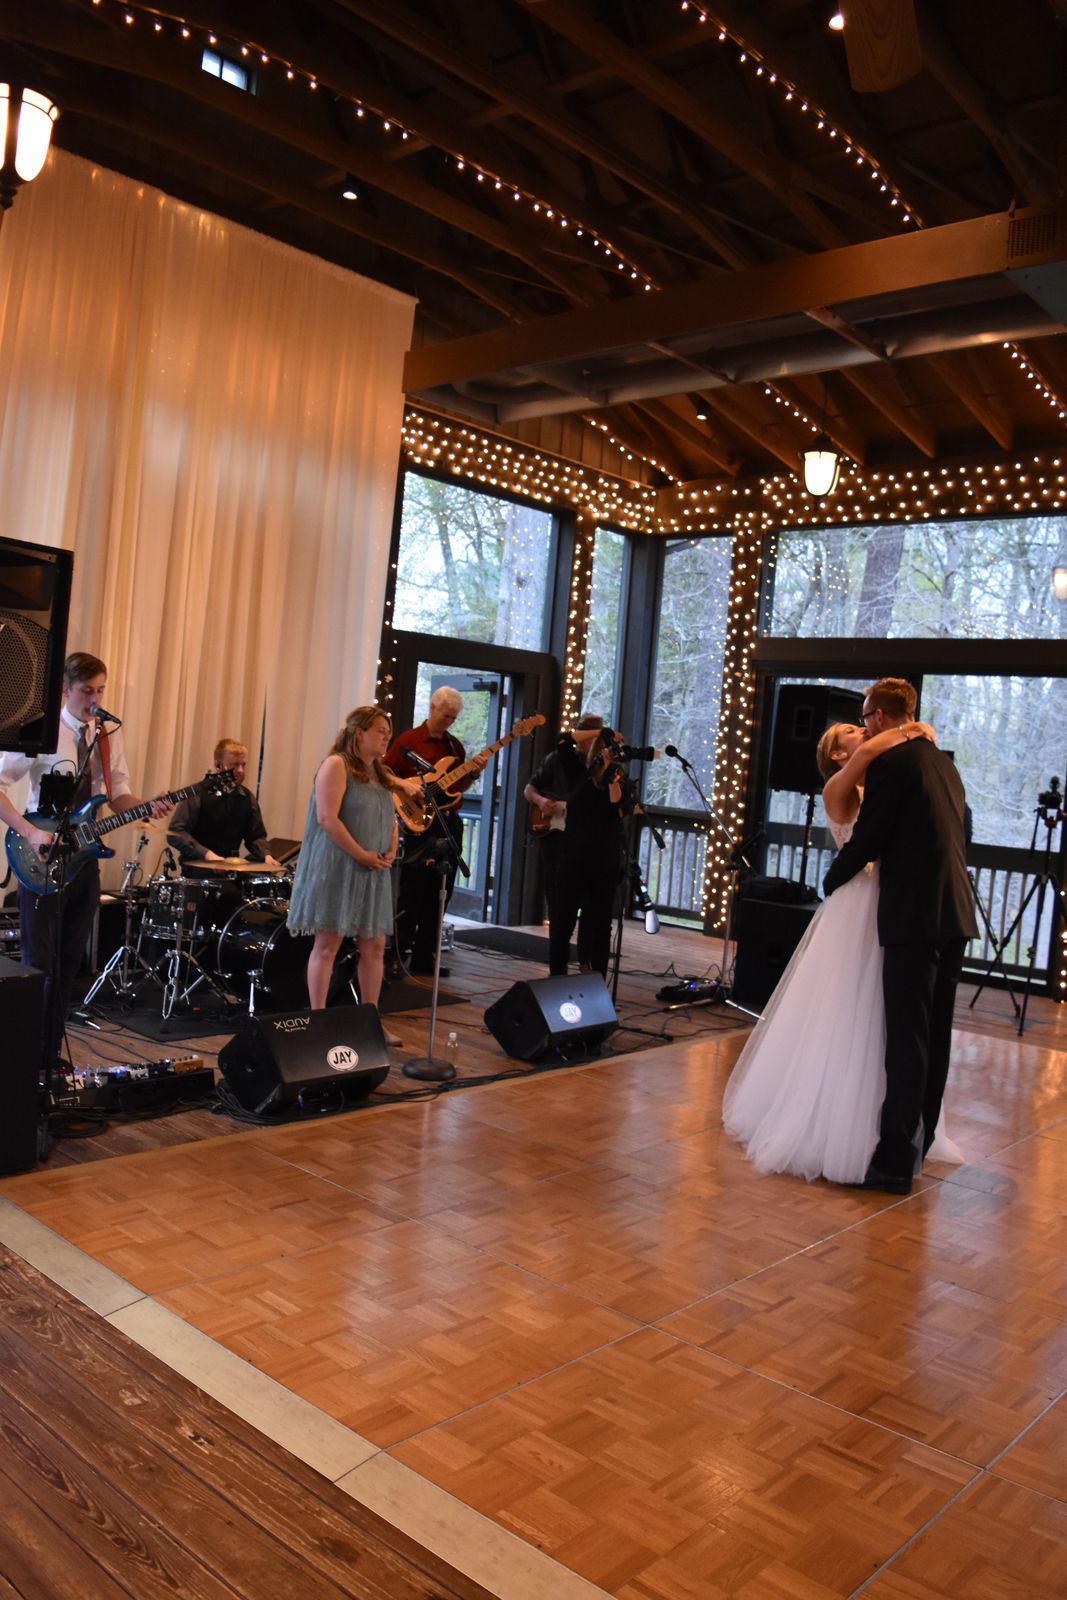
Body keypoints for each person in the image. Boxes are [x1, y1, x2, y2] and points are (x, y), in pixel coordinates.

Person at [722, 709, 964, 1185]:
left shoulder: (881, 779)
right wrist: (913, 730)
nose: (863, 731)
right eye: (851, 731)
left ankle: (886, 1126)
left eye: (863, 723)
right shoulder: (838, 785)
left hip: (890, 901)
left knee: (886, 1020)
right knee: (849, 1008)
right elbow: (871, 772)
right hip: (857, 901)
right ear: (836, 753)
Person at [823, 677, 977, 1194]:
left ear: (881, 717)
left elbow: (871, 835)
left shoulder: (893, 763)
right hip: (953, 914)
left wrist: (832, 879)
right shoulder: (942, 762)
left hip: (913, 916)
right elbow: (962, 832)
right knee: (935, 1037)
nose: (864, 727)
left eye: (865, 718)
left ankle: (892, 1164)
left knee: (906, 1042)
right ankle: (919, 1143)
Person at [0, 650, 172, 1071]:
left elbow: (117, 796)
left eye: (101, 691)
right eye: (87, 691)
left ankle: (49, 1057)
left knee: (68, 964)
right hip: (42, 857)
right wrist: (31, 831)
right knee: (39, 963)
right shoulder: (42, 729)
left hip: (85, 860)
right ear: (65, 690)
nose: (95, 700)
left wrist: (146, 806)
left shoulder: (106, 735)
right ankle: (22, 1063)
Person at [286, 705, 420, 1041]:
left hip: (372, 870)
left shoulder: (381, 772)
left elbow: (389, 817)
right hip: (338, 866)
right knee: (328, 944)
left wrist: (391, 847)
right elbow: (327, 818)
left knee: (374, 946)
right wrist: (361, 854)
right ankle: (318, 1021)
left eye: (388, 733)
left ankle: (370, 1021)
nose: (386, 738)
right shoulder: (336, 765)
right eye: (380, 731)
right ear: (359, 733)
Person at [384, 687, 485, 977]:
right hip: (418, 823)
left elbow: (458, 788)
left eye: (454, 717)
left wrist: (474, 773)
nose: (450, 721)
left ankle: (425, 957)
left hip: (447, 821)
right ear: (432, 708)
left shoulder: (455, 747)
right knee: (412, 891)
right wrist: (406, 787)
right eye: (446, 715)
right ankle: (397, 956)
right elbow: (385, 772)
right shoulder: (409, 741)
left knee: (441, 891)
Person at [524, 715, 624, 978]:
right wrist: (541, 801)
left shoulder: (611, 772)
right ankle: (558, 975)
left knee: (596, 918)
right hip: (563, 845)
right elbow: (531, 786)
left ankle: (588, 967)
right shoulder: (565, 761)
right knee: (561, 913)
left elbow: (617, 805)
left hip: (598, 854)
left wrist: (610, 764)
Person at [167, 739, 278, 866]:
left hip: (231, 868)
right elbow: (175, 832)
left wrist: (266, 855)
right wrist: (207, 854)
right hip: (198, 869)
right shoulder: (197, 794)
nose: (240, 770)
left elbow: (256, 836)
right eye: (234, 765)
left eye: (243, 765)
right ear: (218, 765)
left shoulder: (247, 797)